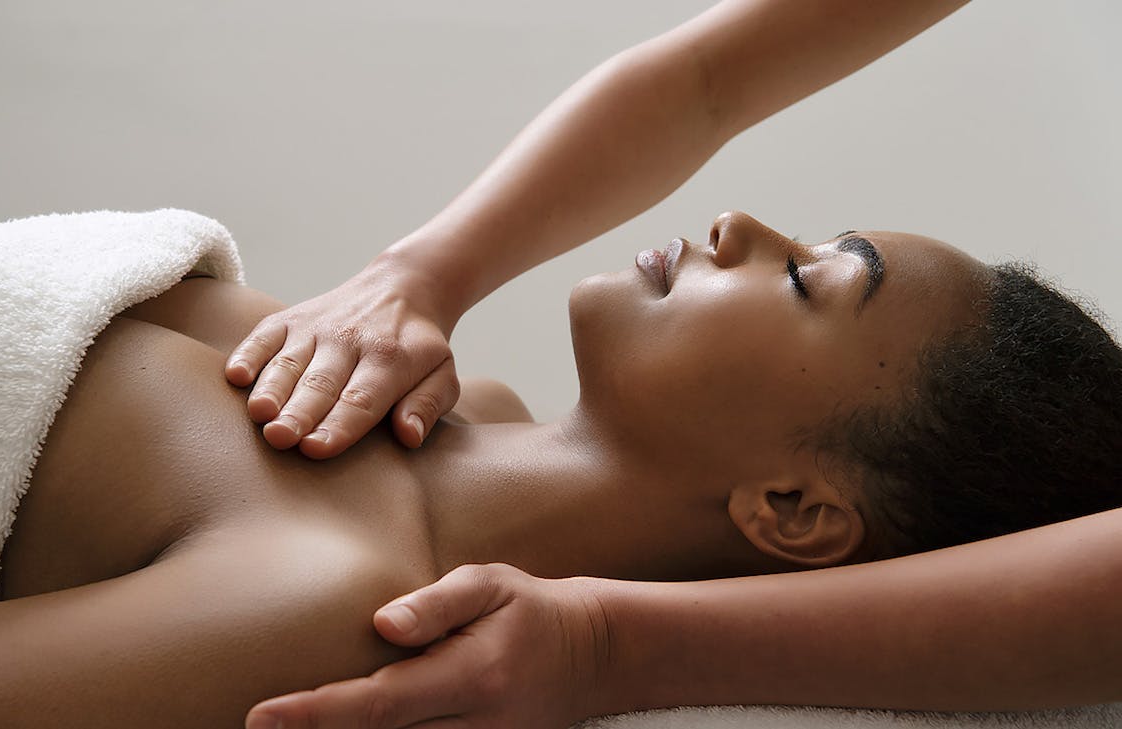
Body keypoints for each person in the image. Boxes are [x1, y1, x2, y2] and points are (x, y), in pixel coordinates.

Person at [209, 1, 1122, 728]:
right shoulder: (469, 407)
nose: (734, 223)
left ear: (797, 509)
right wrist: (418, 271)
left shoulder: (324, 591)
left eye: (806, 279)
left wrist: (610, 645)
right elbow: (705, 78)